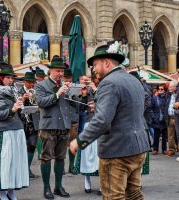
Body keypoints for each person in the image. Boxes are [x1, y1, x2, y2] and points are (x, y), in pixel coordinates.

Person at [70, 43, 150, 200]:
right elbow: (129, 110)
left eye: (94, 65)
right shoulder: (134, 80)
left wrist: (80, 140)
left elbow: (102, 121)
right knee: (134, 195)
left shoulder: (108, 82)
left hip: (117, 151)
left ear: (106, 62)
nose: (93, 69)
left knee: (113, 197)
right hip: (138, 147)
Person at [0, 64, 29, 200]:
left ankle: (11, 191)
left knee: (15, 163)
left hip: (17, 130)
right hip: (4, 132)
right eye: (7, 78)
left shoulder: (16, 92)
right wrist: (13, 109)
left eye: (12, 78)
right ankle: (2, 193)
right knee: (5, 163)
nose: (10, 80)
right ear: (1, 79)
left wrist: (26, 107)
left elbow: (20, 115)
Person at [36, 56, 71, 199]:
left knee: (61, 157)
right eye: (58, 71)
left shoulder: (65, 84)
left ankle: (58, 186)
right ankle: (46, 188)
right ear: (50, 71)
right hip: (48, 125)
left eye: (62, 71)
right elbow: (41, 103)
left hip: (64, 125)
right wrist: (57, 94)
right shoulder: (41, 85)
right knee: (46, 157)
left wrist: (78, 94)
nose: (61, 74)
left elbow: (72, 105)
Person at [19, 72, 39, 179]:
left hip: (33, 122)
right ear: (24, 82)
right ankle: (20, 169)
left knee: (32, 145)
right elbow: (15, 106)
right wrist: (23, 99)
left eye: (33, 82)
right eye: (29, 82)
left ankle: (27, 168)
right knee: (21, 147)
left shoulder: (36, 92)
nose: (31, 84)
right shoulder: (18, 91)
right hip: (21, 122)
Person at [62, 67, 79, 175]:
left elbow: (78, 105)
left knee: (73, 143)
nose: (67, 80)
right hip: (62, 119)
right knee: (62, 144)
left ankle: (71, 166)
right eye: (65, 78)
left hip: (73, 119)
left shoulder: (75, 87)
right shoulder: (59, 87)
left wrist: (73, 95)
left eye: (69, 78)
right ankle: (61, 166)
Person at [151, 84, 168, 155]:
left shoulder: (167, 98)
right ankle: (155, 149)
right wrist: (153, 116)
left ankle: (164, 149)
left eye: (162, 89)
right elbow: (150, 108)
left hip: (165, 119)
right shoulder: (154, 98)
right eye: (159, 89)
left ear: (165, 90)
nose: (160, 90)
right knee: (156, 136)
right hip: (157, 119)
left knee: (164, 136)